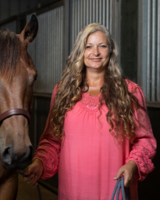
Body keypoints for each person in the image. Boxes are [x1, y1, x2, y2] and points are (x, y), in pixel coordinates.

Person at [22, 23, 156, 200]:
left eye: (102, 46)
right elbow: (52, 140)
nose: (96, 52)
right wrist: (39, 163)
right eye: (89, 46)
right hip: (72, 191)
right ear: (81, 51)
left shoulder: (130, 92)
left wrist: (132, 165)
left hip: (115, 189)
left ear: (111, 50)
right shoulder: (62, 92)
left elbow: (145, 141)